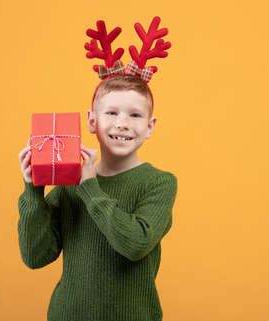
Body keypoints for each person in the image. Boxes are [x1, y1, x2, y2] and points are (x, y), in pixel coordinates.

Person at [17, 17, 177, 321]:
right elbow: (36, 256)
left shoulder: (160, 183)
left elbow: (134, 244)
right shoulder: (69, 182)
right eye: (111, 113)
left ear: (150, 126)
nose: (122, 123)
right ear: (92, 121)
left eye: (135, 115)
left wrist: (90, 187)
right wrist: (34, 189)